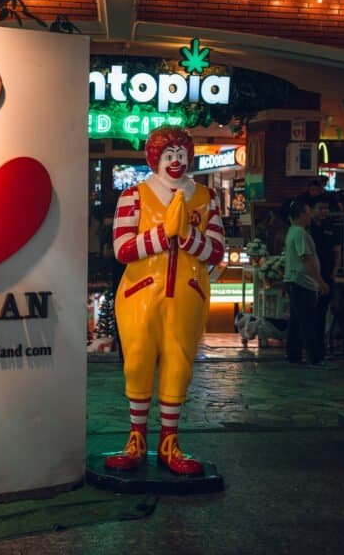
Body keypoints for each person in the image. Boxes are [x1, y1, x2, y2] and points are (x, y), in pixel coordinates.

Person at [105, 126, 225, 476]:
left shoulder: (206, 197)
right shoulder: (134, 196)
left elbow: (216, 251)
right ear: (155, 159)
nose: (175, 161)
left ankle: (169, 442)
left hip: (187, 294)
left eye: (181, 154)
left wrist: (185, 236)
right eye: (169, 155)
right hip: (140, 294)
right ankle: (136, 439)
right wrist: (162, 233)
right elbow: (122, 249)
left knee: (178, 365)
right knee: (137, 362)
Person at [282, 197, 330, 367]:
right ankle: (314, 357)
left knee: (297, 321)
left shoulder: (293, 231)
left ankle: (294, 354)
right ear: (301, 214)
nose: (310, 216)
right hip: (302, 282)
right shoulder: (300, 233)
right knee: (308, 321)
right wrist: (321, 282)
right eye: (308, 213)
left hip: (295, 281)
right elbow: (307, 259)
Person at [310, 196, 341, 352]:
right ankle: (311, 346)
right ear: (312, 209)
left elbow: (337, 251)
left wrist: (335, 271)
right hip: (310, 275)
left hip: (327, 275)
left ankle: (320, 346)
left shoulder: (331, 226)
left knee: (322, 311)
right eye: (320, 208)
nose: (324, 211)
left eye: (326, 208)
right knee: (311, 312)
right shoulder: (307, 227)